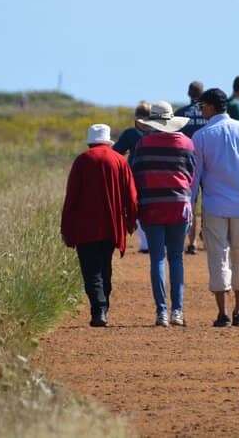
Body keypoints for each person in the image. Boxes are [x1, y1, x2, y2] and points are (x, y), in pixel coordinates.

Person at [191, 88, 239, 328]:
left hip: (214, 206)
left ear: (211, 107)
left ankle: (222, 313)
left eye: (202, 107)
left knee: (218, 256)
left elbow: (196, 176)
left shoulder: (201, 136)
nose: (201, 111)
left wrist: (192, 205)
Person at [61, 124, 138, 327]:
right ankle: (103, 308)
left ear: (90, 141)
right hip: (112, 225)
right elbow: (131, 196)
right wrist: (130, 221)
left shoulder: (83, 160)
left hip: (85, 227)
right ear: (108, 141)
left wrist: (66, 228)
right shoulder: (119, 160)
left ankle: (99, 310)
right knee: (105, 268)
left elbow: (72, 198)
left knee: (91, 271)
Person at [132, 101, 196, 327]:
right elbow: (190, 175)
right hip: (179, 205)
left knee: (157, 258)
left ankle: (162, 312)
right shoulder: (187, 143)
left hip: (152, 206)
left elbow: (136, 174)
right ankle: (178, 311)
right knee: (176, 258)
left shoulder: (143, 144)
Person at [113, 101, 152, 253]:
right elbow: (116, 153)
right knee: (140, 208)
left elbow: (115, 154)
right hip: (140, 177)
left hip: (144, 176)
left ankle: (148, 242)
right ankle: (146, 243)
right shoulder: (133, 133)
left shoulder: (151, 131)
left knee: (143, 208)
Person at [175, 80, 208, 255]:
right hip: (208, 163)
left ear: (188, 93)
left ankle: (192, 242)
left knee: (190, 202)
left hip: (186, 164)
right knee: (208, 201)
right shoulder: (208, 113)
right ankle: (208, 237)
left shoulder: (180, 114)